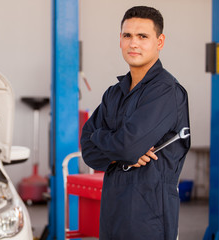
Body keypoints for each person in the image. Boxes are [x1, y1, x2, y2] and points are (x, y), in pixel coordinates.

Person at [80, 6, 190, 240]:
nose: (133, 43)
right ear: (120, 39)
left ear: (159, 42)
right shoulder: (114, 94)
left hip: (149, 215)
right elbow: (88, 149)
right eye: (127, 35)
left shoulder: (165, 91)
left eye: (143, 36)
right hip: (112, 212)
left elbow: (126, 146)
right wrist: (117, 151)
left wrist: (103, 139)